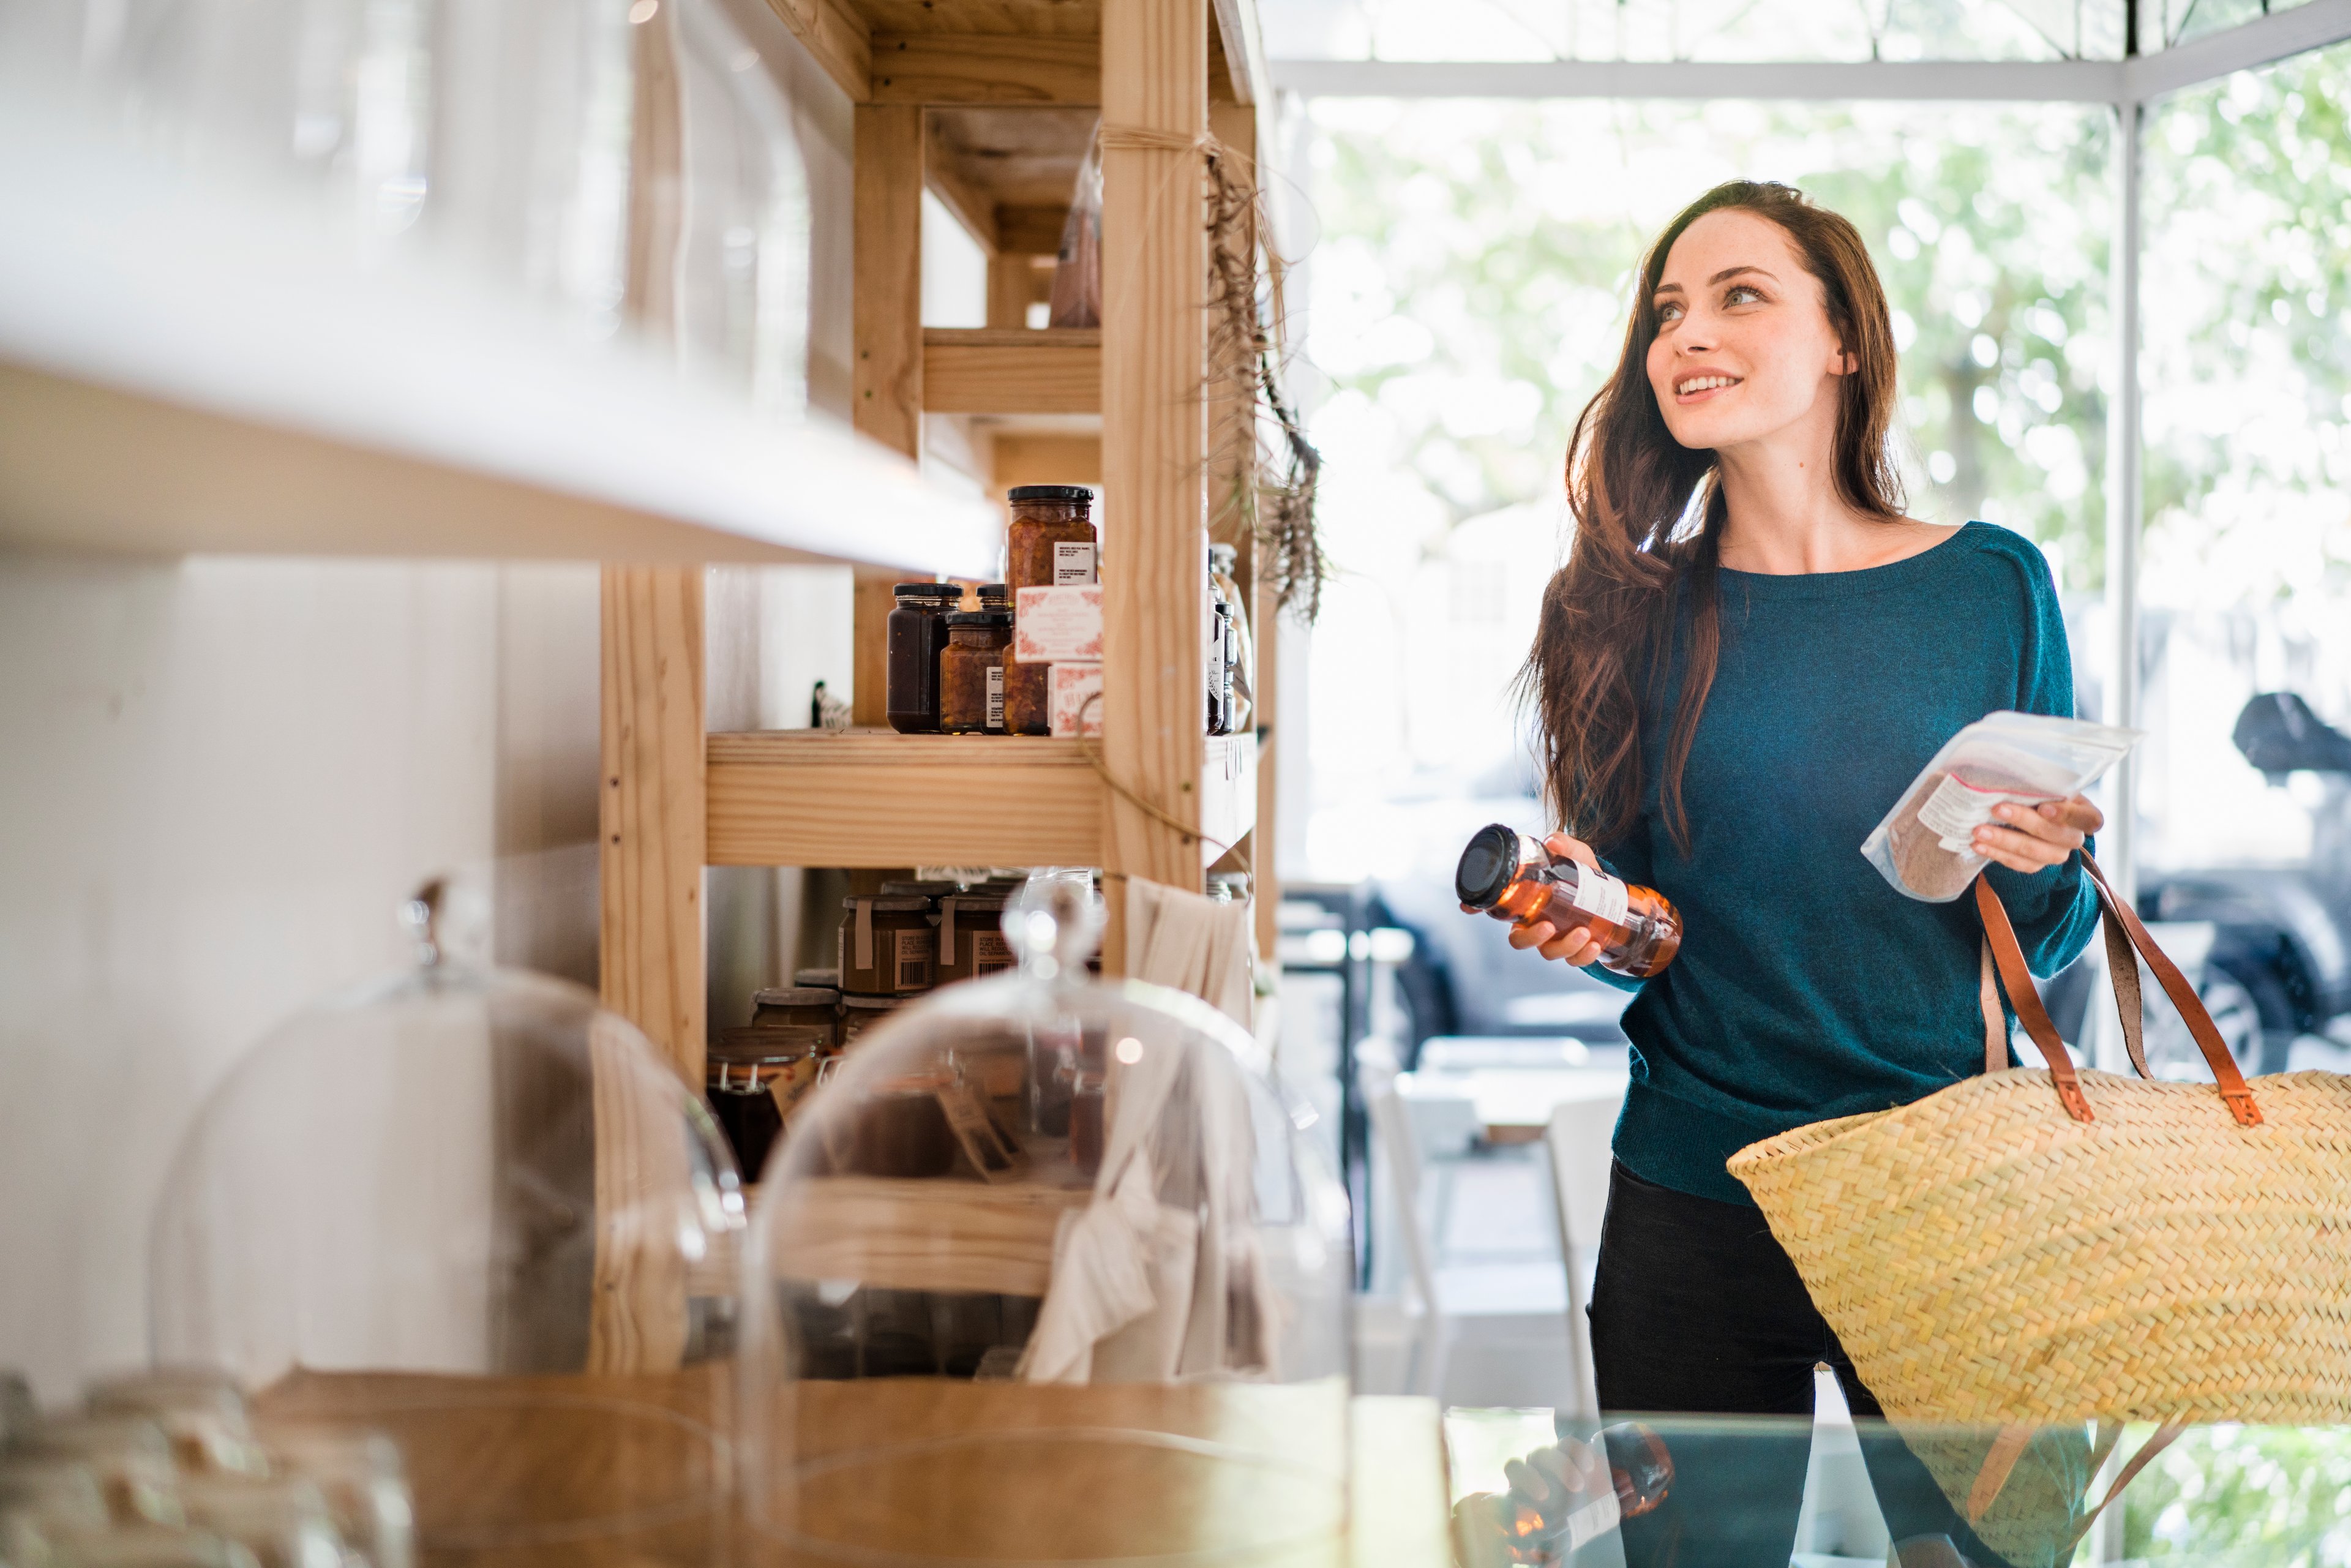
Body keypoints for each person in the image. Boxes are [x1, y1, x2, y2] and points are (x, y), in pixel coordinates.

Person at [1512, 181, 2104, 1567]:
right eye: (1668, 310)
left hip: (1953, 1207)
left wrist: (2024, 867)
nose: (1685, 335)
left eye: (1739, 295)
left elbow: (2054, 929)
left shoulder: (1991, 585)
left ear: (1844, 341)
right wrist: (1589, 910)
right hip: (1694, 1210)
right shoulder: (1620, 609)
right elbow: (1646, 925)